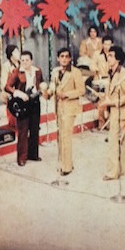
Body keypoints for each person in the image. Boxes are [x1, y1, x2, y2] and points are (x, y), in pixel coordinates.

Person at [45, 48, 85, 176]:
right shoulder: (55, 72)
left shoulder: (75, 72)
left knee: (66, 137)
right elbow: (53, 86)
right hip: (59, 108)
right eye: (61, 56)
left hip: (70, 108)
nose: (64, 59)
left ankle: (67, 167)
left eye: (67, 56)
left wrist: (66, 94)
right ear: (58, 58)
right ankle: (64, 163)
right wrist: (47, 93)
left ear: (70, 59)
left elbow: (81, 90)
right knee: (60, 136)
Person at [99, 46, 125, 181]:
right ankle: (122, 169)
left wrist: (113, 102)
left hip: (121, 112)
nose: (108, 58)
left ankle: (112, 172)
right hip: (114, 112)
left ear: (118, 59)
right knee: (119, 143)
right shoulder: (112, 72)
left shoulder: (124, 75)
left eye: (111, 56)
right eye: (108, 55)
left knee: (113, 143)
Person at [5, 51, 44, 166]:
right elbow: (7, 86)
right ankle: (22, 157)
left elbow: (41, 83)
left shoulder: (37, 71)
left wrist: (42, 89)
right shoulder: (17, 72)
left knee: (35, 129)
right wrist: (17, 93)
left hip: (35, 102)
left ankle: (33, 154)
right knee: (23, 131)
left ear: (31, 61)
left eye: (27, 60)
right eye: (22, 60)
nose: (25, 62)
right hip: (22, 103)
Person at [90, 34, 114, 130]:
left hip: (109, 80)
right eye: (105, 44)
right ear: (102, 44)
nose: (107, 46)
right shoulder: (97, 54)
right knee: (100, 102)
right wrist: (96, 69)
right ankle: (101, 122)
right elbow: (92, 65)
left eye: (109, 44)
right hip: (99, 80)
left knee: (110, 101)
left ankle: (109, 123)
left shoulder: (113, 55)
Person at [0, 44, 21, 126]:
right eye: (16, 52)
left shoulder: (22, 63)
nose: (18, 53)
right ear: (11, 54)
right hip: (11, 92)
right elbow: (4, 82)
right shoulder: (6, 66)